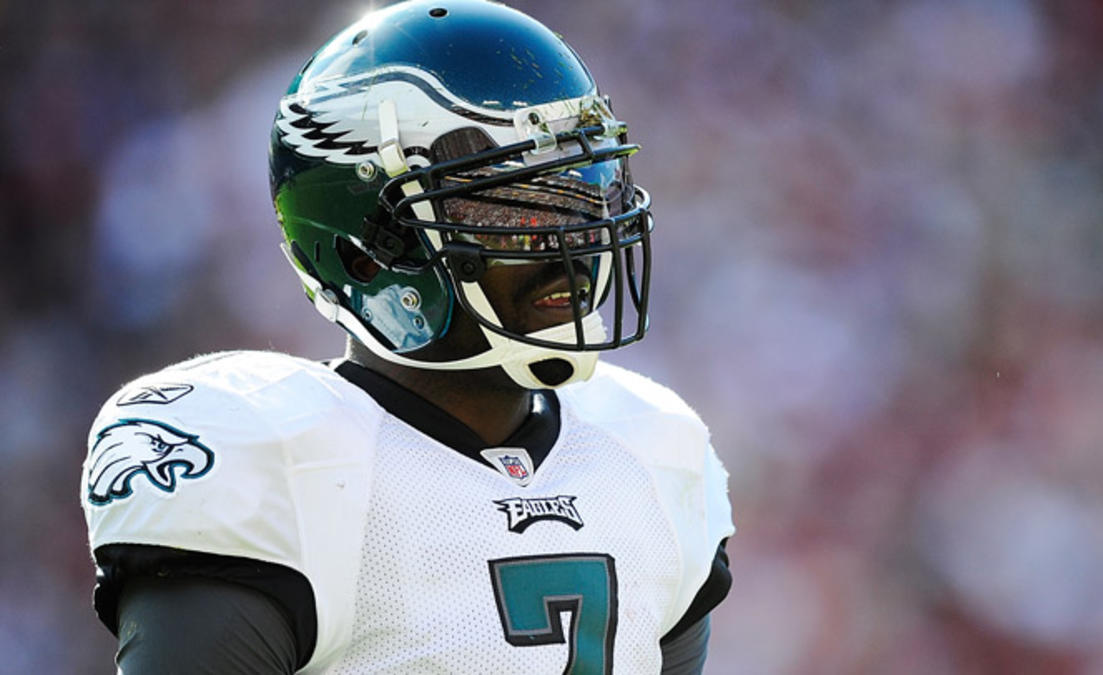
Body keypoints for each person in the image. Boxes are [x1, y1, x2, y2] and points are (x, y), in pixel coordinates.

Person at [79, 1, 734, 672]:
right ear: (368, 257)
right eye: (511, 208)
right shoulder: (280, 463)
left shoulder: (650, 450)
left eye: (582, 190)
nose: (577, 241)